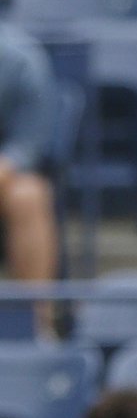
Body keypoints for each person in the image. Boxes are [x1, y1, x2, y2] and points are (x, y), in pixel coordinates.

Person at [0, 21, 58, 335]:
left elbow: (28, 145)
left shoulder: (19, 59)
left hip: (6, 179)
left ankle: (39, 327)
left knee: (29, 196)